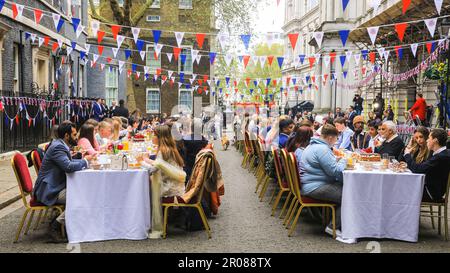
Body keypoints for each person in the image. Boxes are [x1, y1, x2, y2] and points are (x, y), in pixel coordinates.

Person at [33, 121, 92, 243]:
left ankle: (64, 223)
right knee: (84, 196)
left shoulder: (60, 144)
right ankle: (55, 225)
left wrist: (79, 158)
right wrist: (85, 161)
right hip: (49, 190)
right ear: (66, 135)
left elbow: (66, 162)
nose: (76, 137)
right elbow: (68, 167)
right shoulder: (58, 147)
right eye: (74, 134)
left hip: (55, 185)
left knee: (84, 192)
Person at [299, 124, 353, 244]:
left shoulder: (313, 146)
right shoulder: (322, 149)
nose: (336, 141)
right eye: (336, 139)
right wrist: (344, 159)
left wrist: (336, 161)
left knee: (349, 192)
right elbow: (335, 172)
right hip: (316, 187)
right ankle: (333, 226)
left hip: (311, 184)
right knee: (350, 197)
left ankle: (343, 223)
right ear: (330, 138)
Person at [137, 125, 186, 238]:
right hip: (176, 185)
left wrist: (140, 162)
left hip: (171, 189)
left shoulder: (163, 151)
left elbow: (152, 170)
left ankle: (141, 221)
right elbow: (159, 166)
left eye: (154, 135)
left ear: (160, 137)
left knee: (145, 189)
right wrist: (147, 160)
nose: (152, 137)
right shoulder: (169, 148)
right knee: (148, 184)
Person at [404, 128, 450, 202]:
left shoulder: (440, 157)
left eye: (429, 138)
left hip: (432, 193)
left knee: (399, 190)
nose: (427, 140)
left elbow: (417, 170)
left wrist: (407, 154)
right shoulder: (442, 154)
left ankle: (407, 213)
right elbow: (421, 167)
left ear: (435, 140)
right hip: (432, 189)